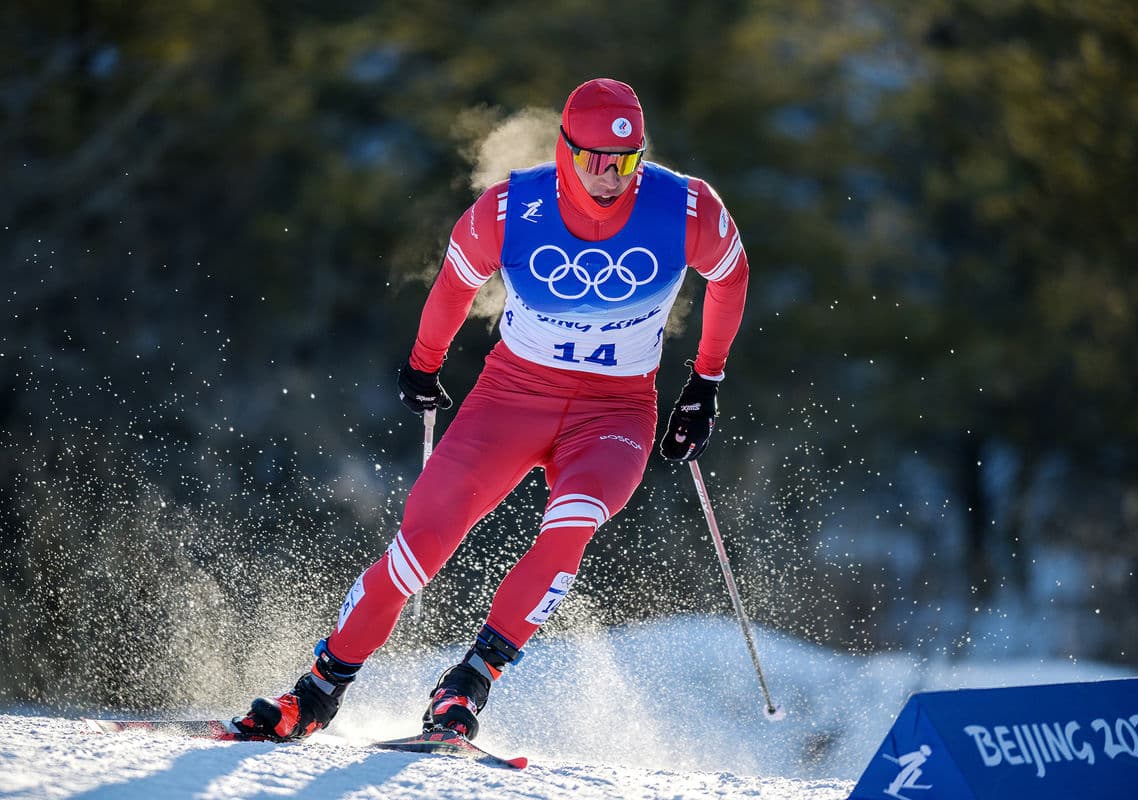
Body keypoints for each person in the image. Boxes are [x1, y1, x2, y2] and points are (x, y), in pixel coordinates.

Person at [233, 77, 750, 741]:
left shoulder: (687, 208)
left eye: (624, 162)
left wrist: (705, 384)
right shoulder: (510, 209)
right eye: (594, 160)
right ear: (566, 151)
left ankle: (467, 686)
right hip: (511, 398)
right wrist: (423, 363)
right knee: (419, 545)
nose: (610, 177)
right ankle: (318, 691)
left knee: (572, 524)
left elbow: (730, 278)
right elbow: (454, 285)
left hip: (614, 413)